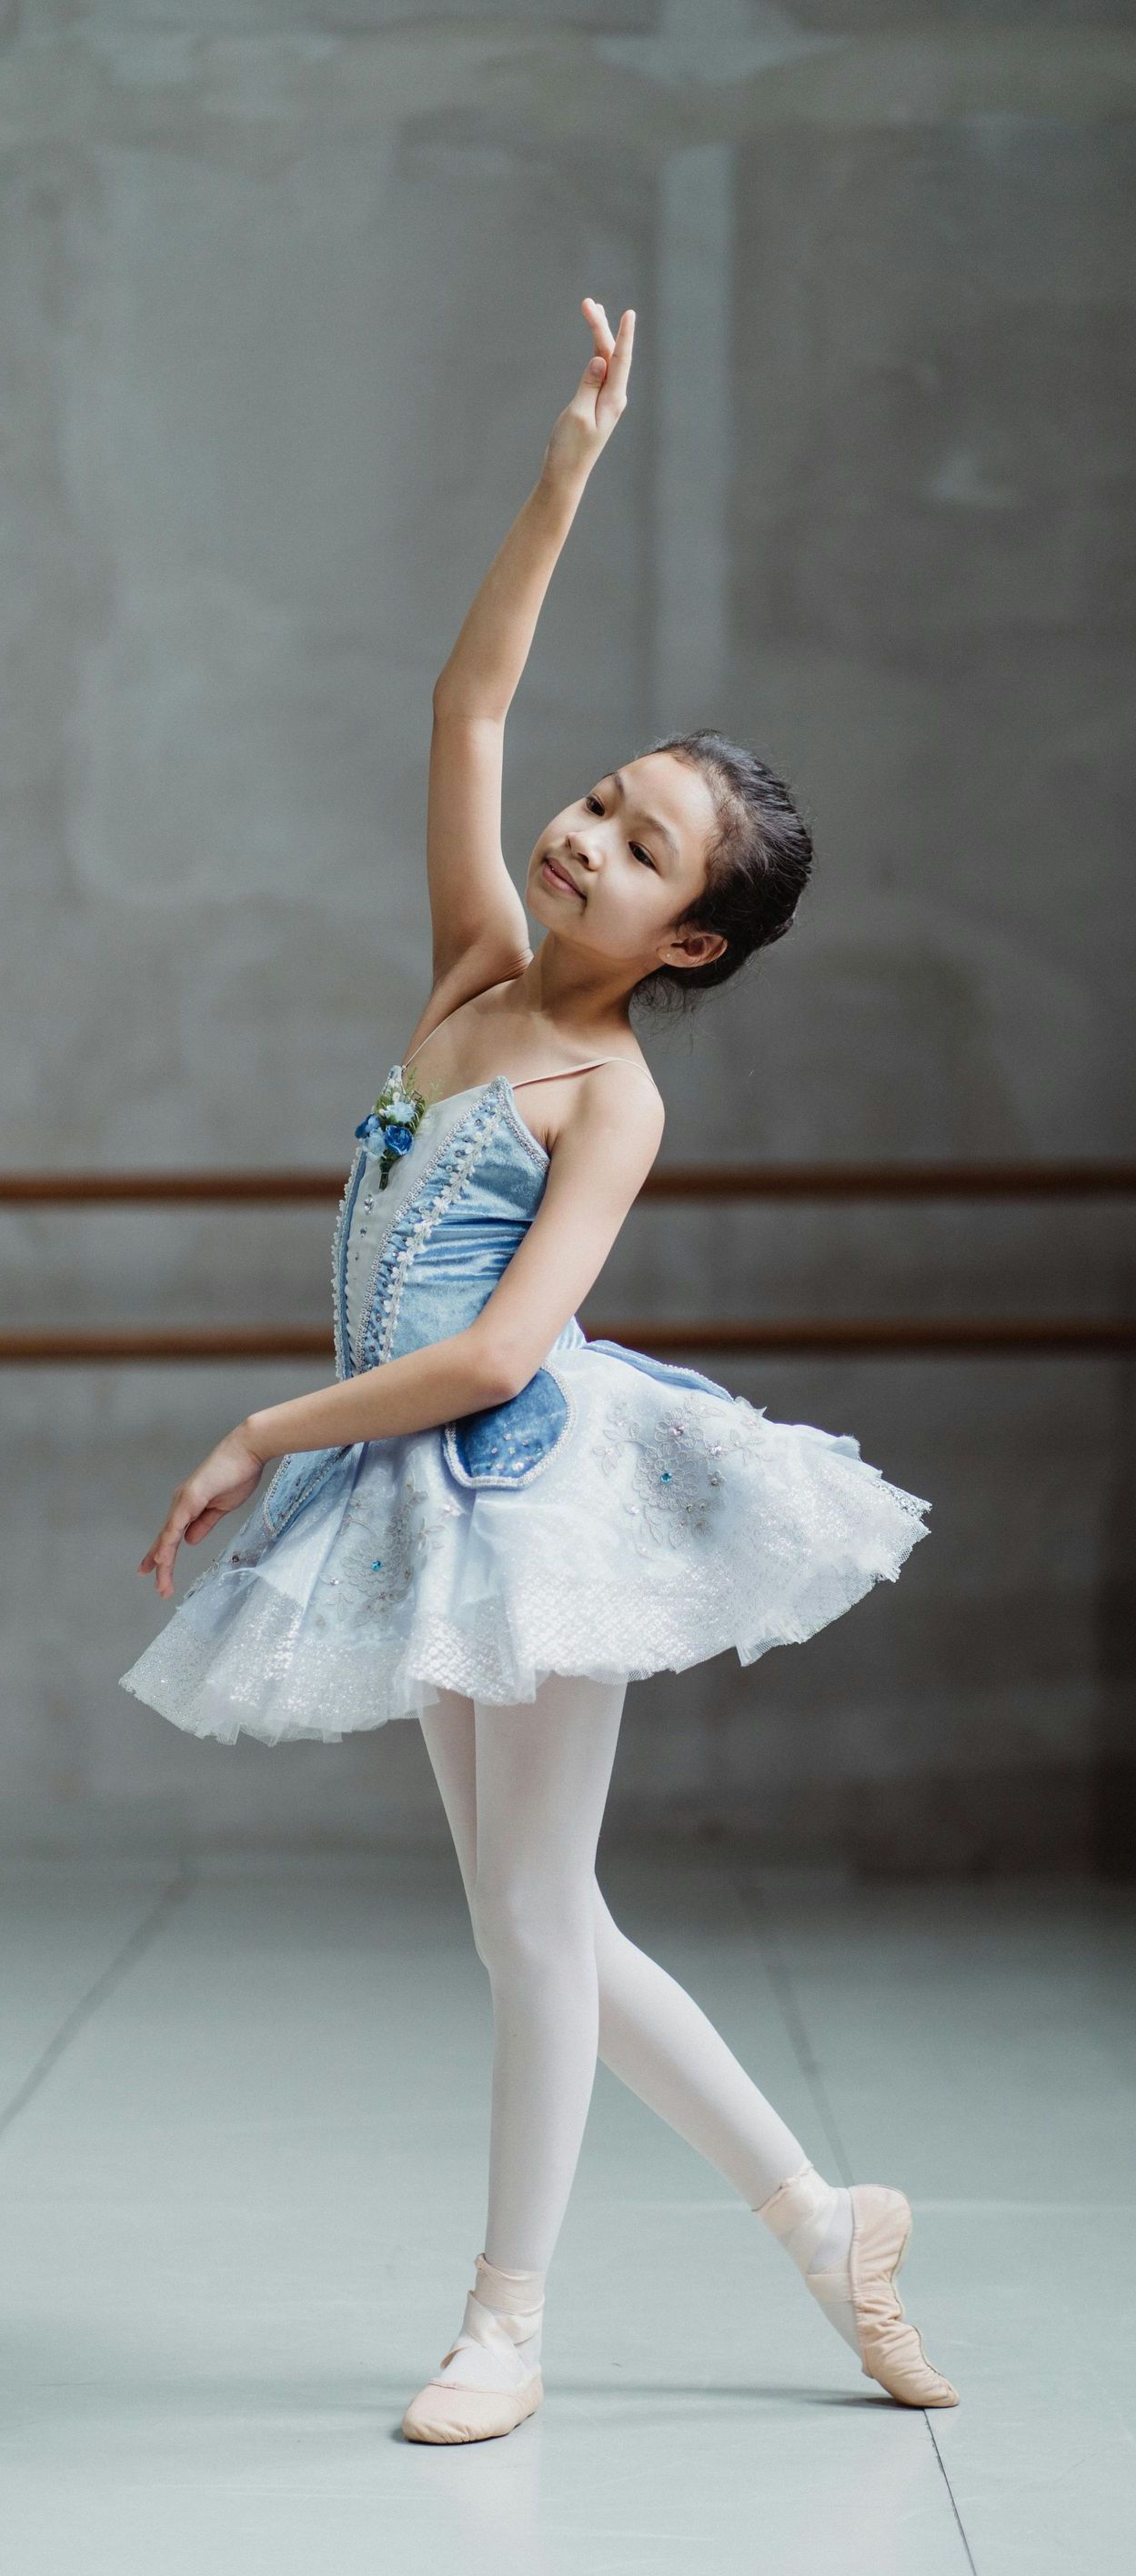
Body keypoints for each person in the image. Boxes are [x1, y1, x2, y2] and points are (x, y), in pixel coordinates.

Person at [120, 296, 958, 2443]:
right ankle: (815, 2212)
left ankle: (507, 2318)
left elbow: (502, 1346)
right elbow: (466, 695)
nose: (584, 835)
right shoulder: (479, 962)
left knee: (527, 1915)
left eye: (641, 847)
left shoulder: (607, 1091)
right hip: (417, 1493)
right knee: (535, 1920)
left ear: (687, 942)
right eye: (601, 802)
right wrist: (570, 461)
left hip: (534, 1487)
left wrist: (260, 1427)